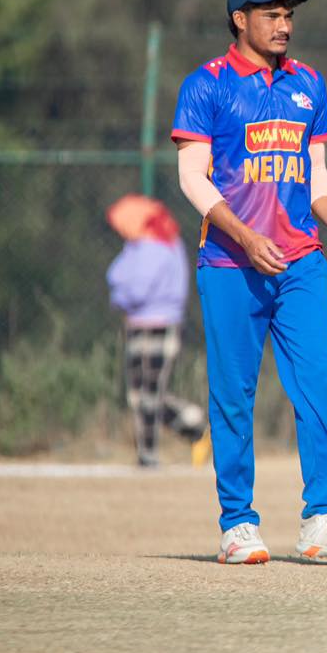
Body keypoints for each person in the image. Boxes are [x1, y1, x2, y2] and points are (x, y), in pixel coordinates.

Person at [171, 0, 327, 565]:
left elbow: (316, 172)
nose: (284, 24)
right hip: (230, 263)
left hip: (301, 262)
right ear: (240, 19)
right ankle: (238, 522)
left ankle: (323, 518)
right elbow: (192, 177)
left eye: (289, 14)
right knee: (233, 395)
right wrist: (244, 235)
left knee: (318, 383)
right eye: (271, 14)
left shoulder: (308, 82)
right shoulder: (206, 85)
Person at [104, 194, 208, 467]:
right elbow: (115, 274)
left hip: (161, 326)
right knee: (138, 396)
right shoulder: (136, 246)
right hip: (136, 325)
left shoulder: (159, 246)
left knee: (151, 395)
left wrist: (120, 296)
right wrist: (122, 291)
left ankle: (152, 452)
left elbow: (134, 288)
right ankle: (193, 426)